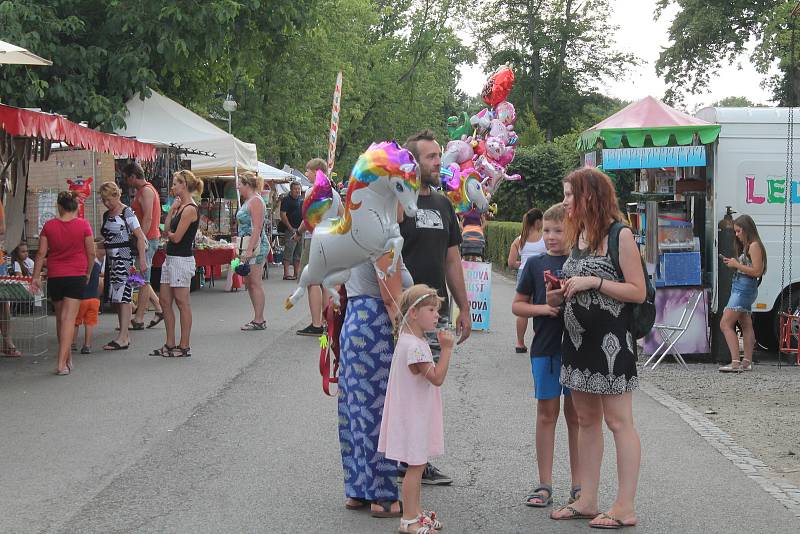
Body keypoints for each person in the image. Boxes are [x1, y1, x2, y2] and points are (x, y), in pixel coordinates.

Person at [548, 167, 644, 529]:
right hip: (576, 343)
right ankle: (588, 498)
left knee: (619, 422)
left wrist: (594, 281)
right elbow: (577, 285)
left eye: (571, 194)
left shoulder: (620, 235)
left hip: (612, 346)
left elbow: (638, 291)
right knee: (586, 420)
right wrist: (559, 291)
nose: (566, 201)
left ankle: (625, 505)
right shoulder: (579, 237)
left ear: (590, 196)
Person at [399, 129, 471, 486]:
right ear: (413, 161)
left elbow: (453, 260)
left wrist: (464, 308)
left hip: (435, 313)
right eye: (431, 157)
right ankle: (402, 458)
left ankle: (419, 462)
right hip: (403, 313)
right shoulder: (398, 201)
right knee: (403, 388)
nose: (439, 163)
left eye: (439, 156)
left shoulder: (443, 204)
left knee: (428, 390)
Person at [511, 204, 580, 508]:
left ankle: (580, 484)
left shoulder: (581, 263)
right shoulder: (535, 264)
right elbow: (518, 305)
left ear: (572, 231)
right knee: (546, 414)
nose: (551, 237)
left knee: (578, 417)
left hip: (579, 351)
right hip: (545, 349)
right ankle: (544, 483)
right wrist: (544, 309)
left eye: (558, 230)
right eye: (547, 231)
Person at [338, 254, 411, 519]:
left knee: (355, 411)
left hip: (354, 321)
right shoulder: (384, 239)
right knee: (380, 411)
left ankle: (357, 489)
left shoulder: (356, 231)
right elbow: (392, 300)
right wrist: (411, 341)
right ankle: (383, 496)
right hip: (376, 325)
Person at [378, 284, 453, 534]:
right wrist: (447, 350)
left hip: (412, 413)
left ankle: (416, 513)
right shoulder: (416, 346)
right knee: (416, 467)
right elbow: (437, 377)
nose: (436, 315)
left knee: (417, 466)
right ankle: (409, 520)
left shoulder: (410, 339)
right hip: (413, 416)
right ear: (413, 313)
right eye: (431, 310)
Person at [31, 191, 96, 375]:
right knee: (69, 319)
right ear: (76, 206)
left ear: (59, 207)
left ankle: (67, 358)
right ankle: (61, 363)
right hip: (76, 275)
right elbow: (91, 253)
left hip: (55, 276)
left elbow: (41, 254)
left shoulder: (49, 226)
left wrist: (36, 276)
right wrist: (89, 272)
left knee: (61, 319)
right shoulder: (83, 225)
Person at [151, 170, 201, 358]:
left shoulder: (190, 209)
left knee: (182, 302)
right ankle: (170, 343)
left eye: (175, 183)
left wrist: (167, 233)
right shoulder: (180, 206)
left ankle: (184, 345)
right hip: (170, 258)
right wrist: (171, 210)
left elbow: (176, 236)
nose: (172, 187)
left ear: (184, 185)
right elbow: (167, 227)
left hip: (181, 259)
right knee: (165, 301)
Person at [294, 158, 343, 337]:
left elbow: (308, 220)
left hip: (315, 240)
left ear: (316, 172)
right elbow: (342, 216)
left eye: (307, 171)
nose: (306, 174)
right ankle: (327, 321)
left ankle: (316, 324)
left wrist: (298, 232)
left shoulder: (312, 192)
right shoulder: (335, 194)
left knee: (312, 281)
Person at [98, 182, 148, 351]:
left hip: (124, 257)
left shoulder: (127, 212)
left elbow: (140, 237)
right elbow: (108, 239)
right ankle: (124, 335)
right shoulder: (107, 215)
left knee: (124, 297)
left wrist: (141, 260)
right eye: (104, 200)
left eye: (109, 199)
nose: (107, 203)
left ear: (116, 195)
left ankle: (124, 336)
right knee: (117, 299)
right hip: (111, 259)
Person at [719, 214, 766, 373]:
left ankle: (735, 362)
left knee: (725, 323)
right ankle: (746, 361)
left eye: (738, 231)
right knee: (746, 323)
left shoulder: (754, 246)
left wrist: (736, 265)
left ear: (747, 230)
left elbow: (757, 271)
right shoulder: (749, 246)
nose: (737, 235)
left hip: (743, 288)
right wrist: (735, 264)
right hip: (743, 286)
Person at [124, 162, 165, 330]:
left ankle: (139, 318)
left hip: (148, 238)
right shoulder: (145, 190)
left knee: (143, 280)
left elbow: (147, 218)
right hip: (148, 238)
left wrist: (143, 240)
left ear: (133, 177)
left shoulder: (147, 191)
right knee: (142, 278)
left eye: (127, 178)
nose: (126, 181)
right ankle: (159, 308)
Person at [508, 208, 546, 353]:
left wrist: (523, 263)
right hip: (541, 274)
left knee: (522, 310)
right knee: (540, 308)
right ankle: (539, 341)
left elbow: (511, 263)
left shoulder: (519, 240)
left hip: (524, 274)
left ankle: (520, 343)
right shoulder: (545, 239)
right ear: (537, 222)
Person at [237, 172, 269, 331]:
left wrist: (249, 249)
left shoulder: (256, 201)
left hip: (256, 246)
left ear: (247, 185)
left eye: (240, 184)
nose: (238, 186)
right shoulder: (249, 200)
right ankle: (257, 317)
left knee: (255, 282)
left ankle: (259, 319)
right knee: (249, 282)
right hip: (249, 244)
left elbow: (257, 227)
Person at [73, 242, 104, 354]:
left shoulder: (80, 265)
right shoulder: (96, 265)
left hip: (81, 299)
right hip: (94, 299)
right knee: (89, 323)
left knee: (75, 322)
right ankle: (87, 345)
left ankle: (73, 343)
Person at [280, 181, 303, 280]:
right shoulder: (286, 200)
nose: (297, 191)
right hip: (290, 229)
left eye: (299, 189)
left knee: (298, 252)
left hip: (300, 230)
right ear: (291, 189)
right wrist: (290, 228)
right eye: (295, 189)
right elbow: (283, 215)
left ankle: (296, 273)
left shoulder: (301, 200)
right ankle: (286, 273)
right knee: (289, 251)